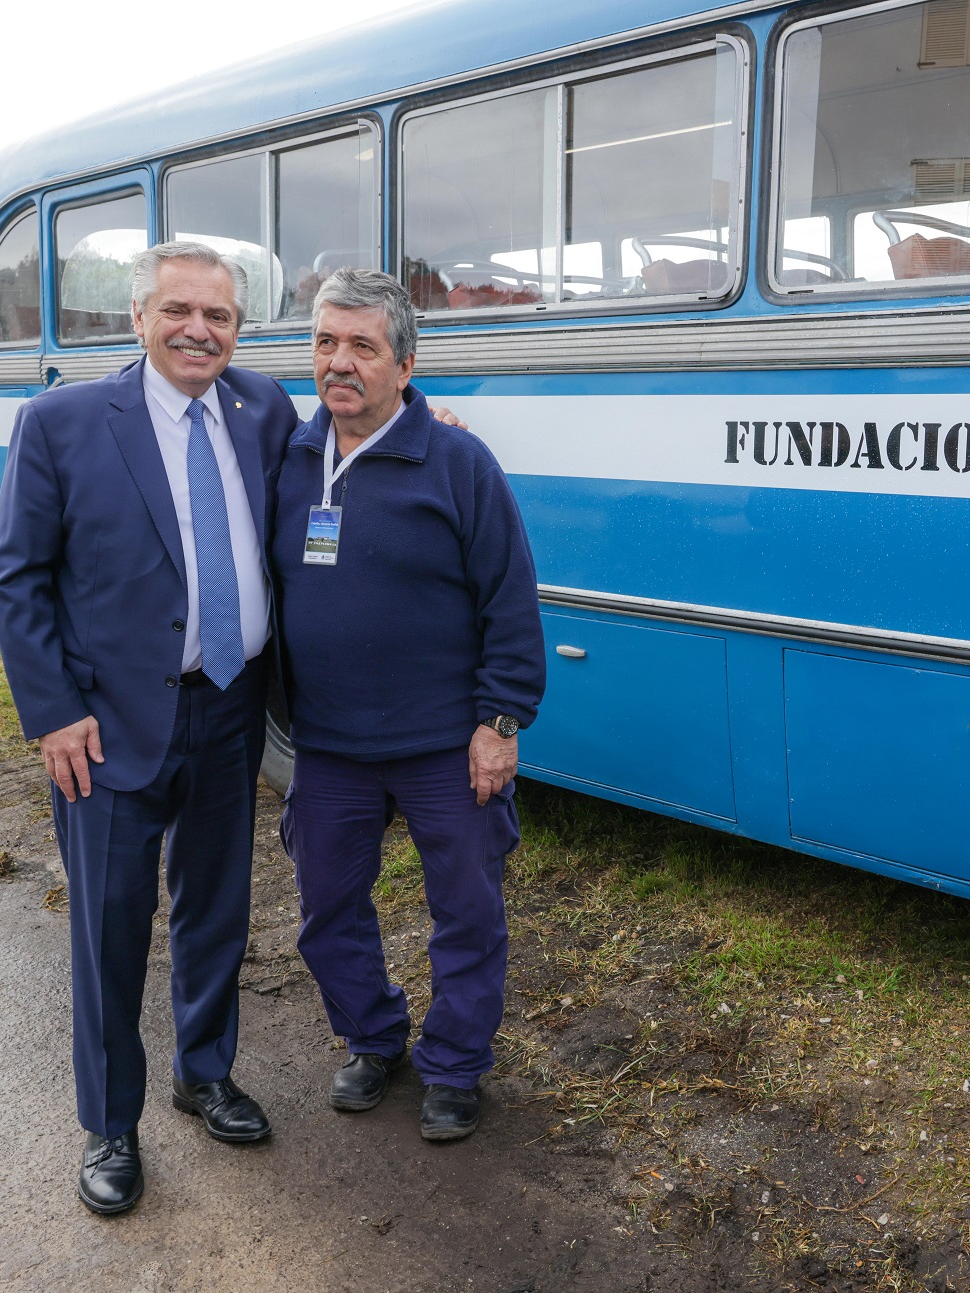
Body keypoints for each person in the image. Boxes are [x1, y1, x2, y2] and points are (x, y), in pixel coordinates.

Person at [0, 241, 295, 1215]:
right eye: (179, 311)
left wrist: (426, 415)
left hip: (229, 707)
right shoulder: (62, 422)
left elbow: (339, 457)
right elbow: (18, 577)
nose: (199, 330)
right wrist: (54, 713)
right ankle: (109, 1123)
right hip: (106, 729)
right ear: (137, 317)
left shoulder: (263, 408)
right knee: (111, 930)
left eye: (220, 317)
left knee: (217, 911)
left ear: (238, 329)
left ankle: (202, 1072)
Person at [271, 267, 545, 1142]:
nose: (339, 362)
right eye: (324, 342)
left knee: (466, 909)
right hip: (329, 747)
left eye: (362, 345)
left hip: (443, 747)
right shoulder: (284, 459)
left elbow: (509, 598)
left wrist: (499, 723)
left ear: (406, 362)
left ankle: (456, 1065)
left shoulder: (459, 461)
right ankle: (372, 1036)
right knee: (325, 908)